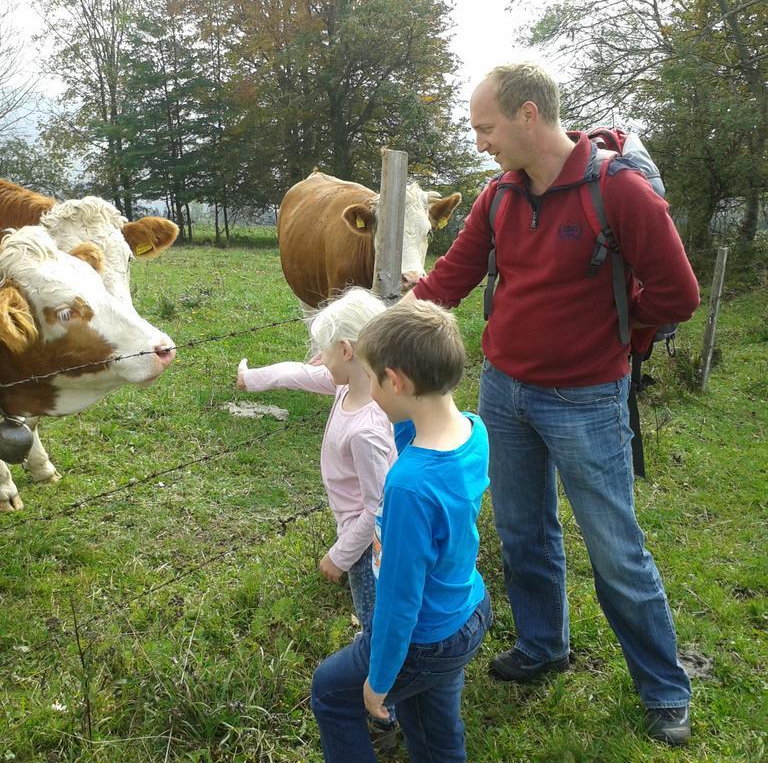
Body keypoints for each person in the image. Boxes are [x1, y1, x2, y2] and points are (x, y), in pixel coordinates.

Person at [401, 62, 700, 746]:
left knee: (616, 550)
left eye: (486, 127)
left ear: (529, 114)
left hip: (588, 399)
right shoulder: (500, 196)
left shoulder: (617, 192)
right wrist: (377, 325)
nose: (480, 142)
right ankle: (543, 645)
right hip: (505, 392)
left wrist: (620, 341)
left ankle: (664, 688)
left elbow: (677, 294)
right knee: (523, 530)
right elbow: (451, 278)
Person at [311, 299, 492, 763]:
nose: (367, 393)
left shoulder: (409, 486)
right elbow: (411, 431)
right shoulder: (473, 431)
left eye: (372, 379)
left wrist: (379, 680)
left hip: (422, 638)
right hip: (465, 611)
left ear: (395, 381)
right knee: (433, 729)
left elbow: (398, 600)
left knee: (331, 691)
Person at [236, 287, 400, 748]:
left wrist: (339, 555)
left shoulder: (368, 428)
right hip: (356, 536)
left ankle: (386, 714)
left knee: (376, 625)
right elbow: (300, 373)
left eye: (323, 352)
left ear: (346, 350)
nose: (317, 361)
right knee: (375, 618)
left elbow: (378, 508)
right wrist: (254, 379)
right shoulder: (351, 382)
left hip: (368, 546)